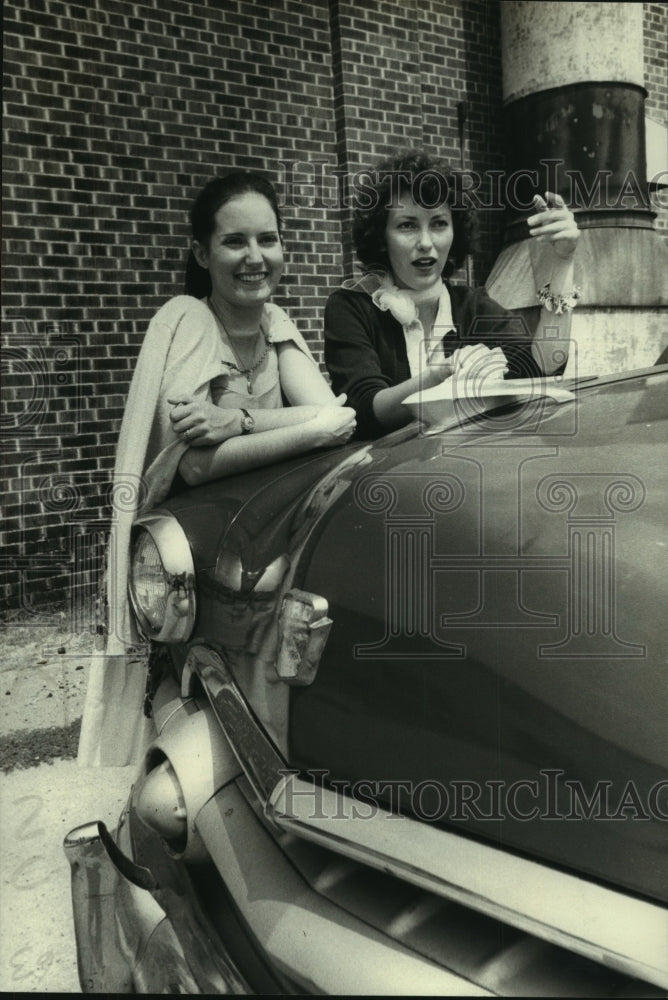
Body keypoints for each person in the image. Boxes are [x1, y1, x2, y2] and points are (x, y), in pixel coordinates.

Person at [78, 171, 356, 766]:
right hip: (189, 561)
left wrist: (240, 422)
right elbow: (198, 467)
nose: (256, 258)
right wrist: (302, 428)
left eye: (269, 239)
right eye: (235, 242)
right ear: (202, 253)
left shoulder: (276, 324)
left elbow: (336, 418)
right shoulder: (184, 319)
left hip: (262, 545)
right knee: (199, 726)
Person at [324, 149, 580, 439]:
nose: (425, 242)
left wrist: (562, 263)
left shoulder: (472, 305)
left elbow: (543, 366)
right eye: (407, 225)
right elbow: (365, 409)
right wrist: (440, 376)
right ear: (381, 238)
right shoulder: (350, 307)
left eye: (438, 224)